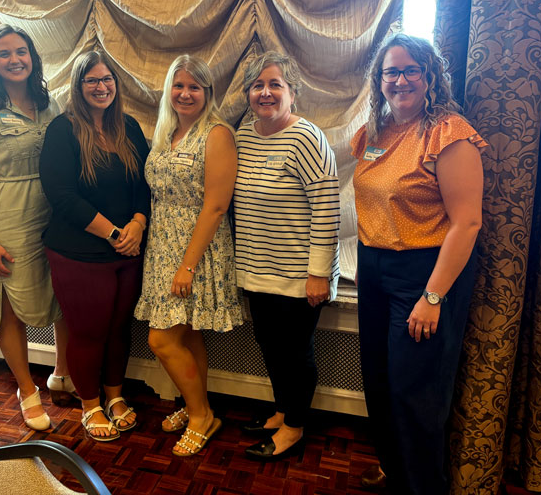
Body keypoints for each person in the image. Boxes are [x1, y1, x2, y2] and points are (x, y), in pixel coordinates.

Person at [352, 33, 486, 494]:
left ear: (430, 76)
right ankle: (394, 468)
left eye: (412, 69)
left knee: (416, 394)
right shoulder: (375, 131)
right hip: (372, 270)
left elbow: (467, 223)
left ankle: (423, 486)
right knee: (380, 382)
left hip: (424, 274)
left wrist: (432, 296)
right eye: (391, 71)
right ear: (379, 79)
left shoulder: (448, 132)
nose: (401, 79)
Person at [0, 25, 71, 431]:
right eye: (4, 54)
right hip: (7, 216)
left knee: (61, 295)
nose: (14, 59)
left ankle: (62, 371)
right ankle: (27, 389)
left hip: (53, 212)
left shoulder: (49, 103)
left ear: (33, 57)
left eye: (21, 51)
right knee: (10, 307)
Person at [233, 51, 341, 461]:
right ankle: (281, 410)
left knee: (295, 353)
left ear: (292, 92)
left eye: (275, 84)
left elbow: (327, 209)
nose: (265, 92)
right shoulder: (243, 134)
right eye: (258, 85)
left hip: (299, 275)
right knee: (269, 344)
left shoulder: (307, 138)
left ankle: (294, 426)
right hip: (257, 270)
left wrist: (317, 275)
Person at [39, 51, 150, 441]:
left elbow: (144, 184)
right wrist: (117, 234)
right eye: (92, 81)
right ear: (78, 86)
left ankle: (115, 397)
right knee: (89, 332)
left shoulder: (130, 128)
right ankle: (90, 404)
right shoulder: (62, 131)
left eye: (107, 80)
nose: (101, 87)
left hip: (128, 251)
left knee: (119, 328)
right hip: (79, 253)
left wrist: (137, 224)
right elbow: (63, 197)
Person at [134, 55, 241, 456]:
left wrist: (188, 265)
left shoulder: (216, 133)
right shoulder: (167, 132)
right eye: (178, 86)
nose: (185, 93)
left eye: (194, 87)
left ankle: (201, 417)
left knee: (161, 339)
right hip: (163, 244)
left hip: (197, 248)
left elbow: (216, 205)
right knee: (187, 331)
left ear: (207, 92)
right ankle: (196, 403)